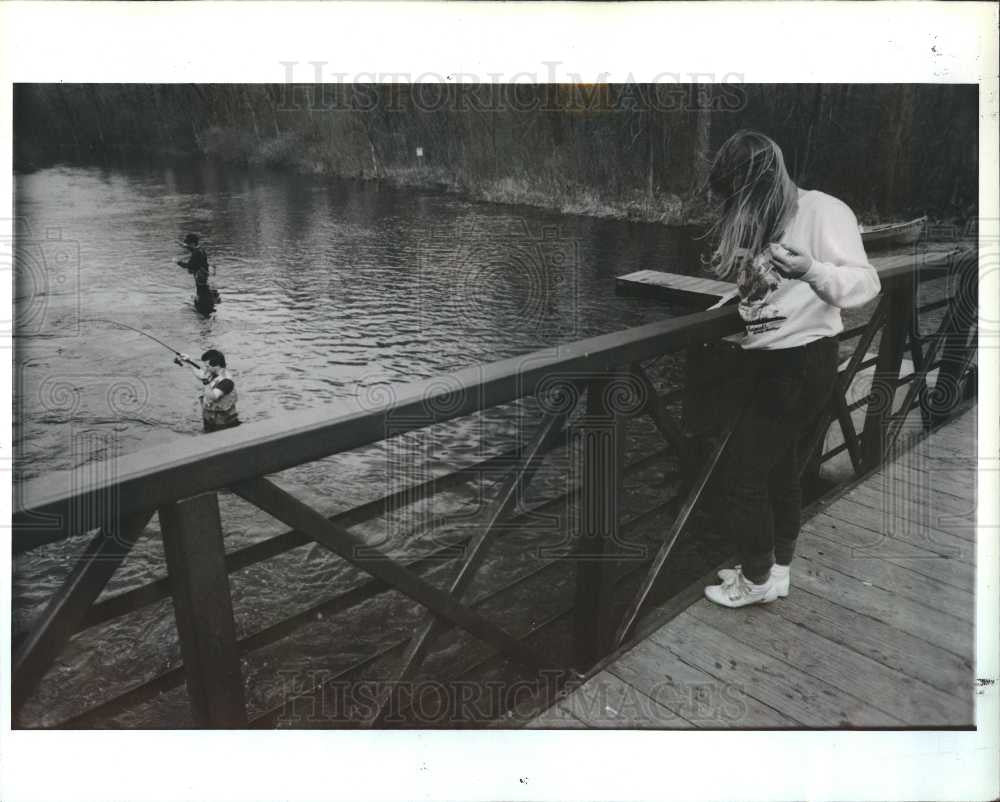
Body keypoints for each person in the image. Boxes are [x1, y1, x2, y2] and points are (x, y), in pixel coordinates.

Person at [701, 130, 881, 608]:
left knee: (743, 475)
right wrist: (726, 308)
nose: (738, 209)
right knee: (779, 471)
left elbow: (866, 284)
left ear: (763, 181)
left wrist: (811, 272)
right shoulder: (760, 219)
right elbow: (758, 294)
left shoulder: (823, 210)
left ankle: (755, 580)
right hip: (767, 361)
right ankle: (777, 570)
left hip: (802, 362)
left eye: (741, 196)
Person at [174, 348, 240, 432]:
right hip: (211, 420)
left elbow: (213, 396)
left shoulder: (226, 381)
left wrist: (206, 382)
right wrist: (189, 361)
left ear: (216, 366)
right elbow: (201, 374)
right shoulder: (214, 373)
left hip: (225, 424)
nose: (206, 368)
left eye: (207, 366)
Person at [177, 233, 216, 309]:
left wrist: (178, 262)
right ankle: (207, 304)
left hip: (200, 278)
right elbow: (193, 249)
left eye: (188, 243)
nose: (187, 244)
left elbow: (190, 266)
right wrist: (184, 246)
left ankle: (203, 306)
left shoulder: (196, 253)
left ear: (192, 243)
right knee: (204, 289)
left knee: (201, 291)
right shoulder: (200, 249)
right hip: (204, 275)